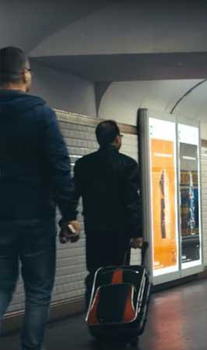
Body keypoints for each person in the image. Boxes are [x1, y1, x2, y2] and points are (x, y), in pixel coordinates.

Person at [0, 46, 80, 350]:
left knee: (2, 287)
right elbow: (60, 167)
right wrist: (69, 215)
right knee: (38, 291)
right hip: (35, 217)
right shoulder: (41, 113)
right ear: (24, 74)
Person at [73, 120, 143, 305]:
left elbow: (73, 195)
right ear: (116, 139)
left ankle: (95, 313)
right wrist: (137, 233)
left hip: (94, 230)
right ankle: (117, 313)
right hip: (120, 232)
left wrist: (69, 220)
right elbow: (131, 202)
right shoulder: (128, 165)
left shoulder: (83, 164)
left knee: (96, 271)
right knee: (118, 272)